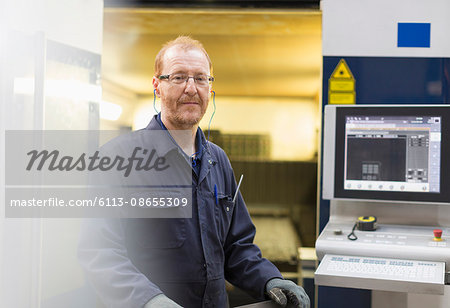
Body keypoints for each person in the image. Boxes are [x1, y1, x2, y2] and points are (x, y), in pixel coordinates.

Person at [78, 36, 310, 308]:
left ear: (210, 88)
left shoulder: (218, 160)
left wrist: (270, 280)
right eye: (178, 77)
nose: (191, 88)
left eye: (201, 78)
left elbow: (236, 248)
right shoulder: (117, 159)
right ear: (157, 86)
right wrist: (148, 300)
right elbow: (100, 252)